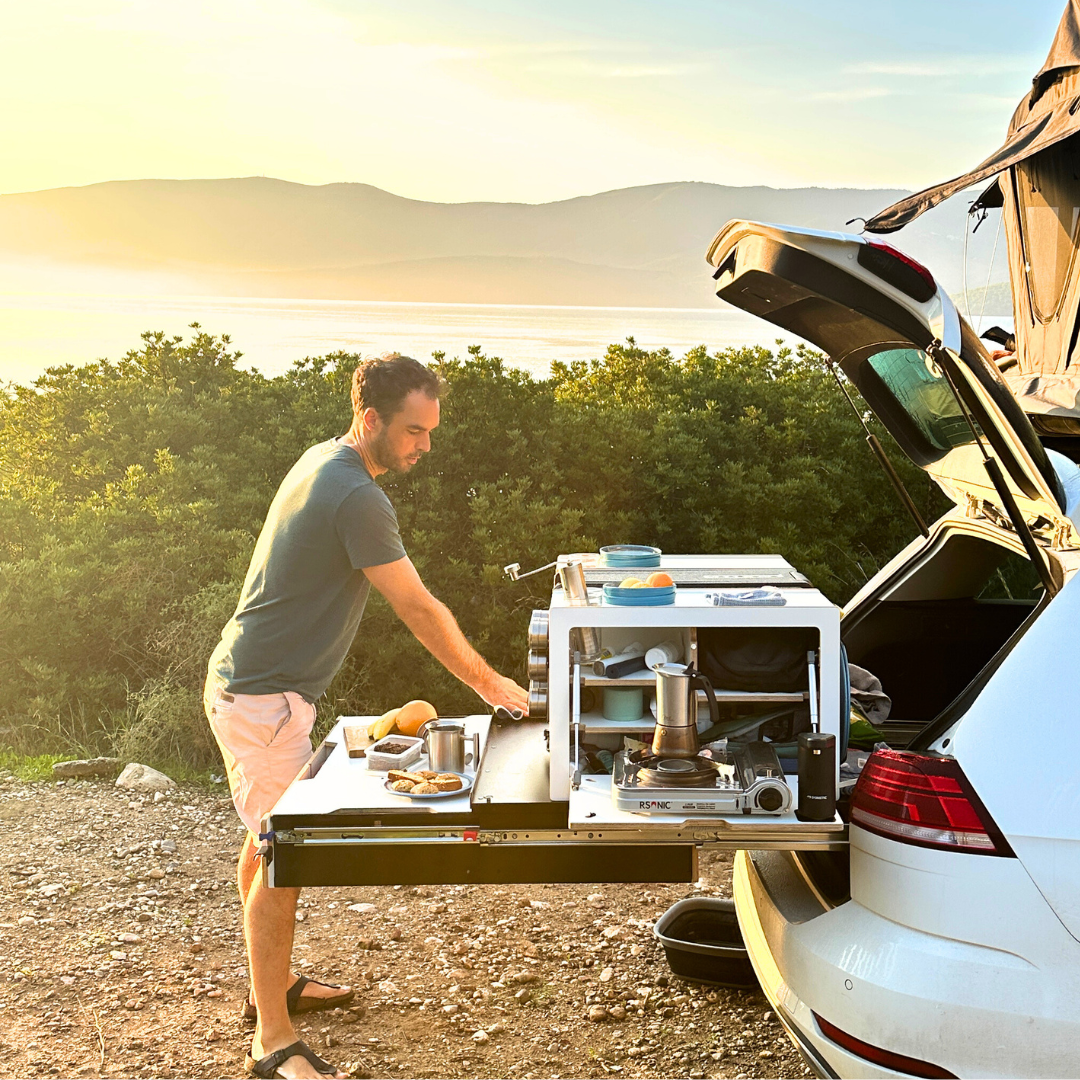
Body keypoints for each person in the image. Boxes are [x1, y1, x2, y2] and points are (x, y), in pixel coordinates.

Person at [204, 353, 528, 1080]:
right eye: (415, 431)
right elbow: (417, 608)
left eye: (431, 431)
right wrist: (488, 683)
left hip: (259, 691)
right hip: (261, 701)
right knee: (286, 858)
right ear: (372, 419)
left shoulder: (325, 458)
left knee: (267, 845)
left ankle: (273, 986)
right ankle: (273, 1041)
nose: (425, 446)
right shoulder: (355, 496)